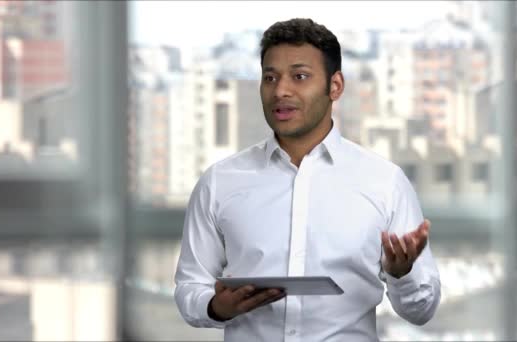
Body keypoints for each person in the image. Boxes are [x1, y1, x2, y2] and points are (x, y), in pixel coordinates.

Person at [174, 18, 441, 342]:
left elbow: (421, 310)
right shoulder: (220, 182)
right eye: (270, 77)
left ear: (335, 86)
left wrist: (402, 275)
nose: (280, 90)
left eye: (299, 77)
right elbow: (190, 287)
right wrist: (216, 306)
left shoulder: (385, 183)